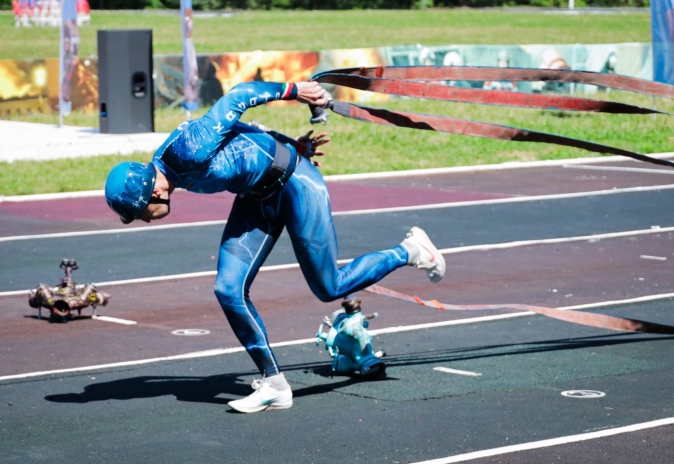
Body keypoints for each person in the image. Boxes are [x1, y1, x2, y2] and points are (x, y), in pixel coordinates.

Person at [104, 80, 446, 413]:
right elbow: (237, 134)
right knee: (228, 289)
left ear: (151, 193)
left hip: (297, 184)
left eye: (139, 214)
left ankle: (412, 250)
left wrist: (296, 91)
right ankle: (274, 385)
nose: (144, 220)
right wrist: (281, 146)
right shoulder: (168, 169)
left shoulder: (186, 150)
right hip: (258, 196)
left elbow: (239, 97)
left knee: (330, 287)